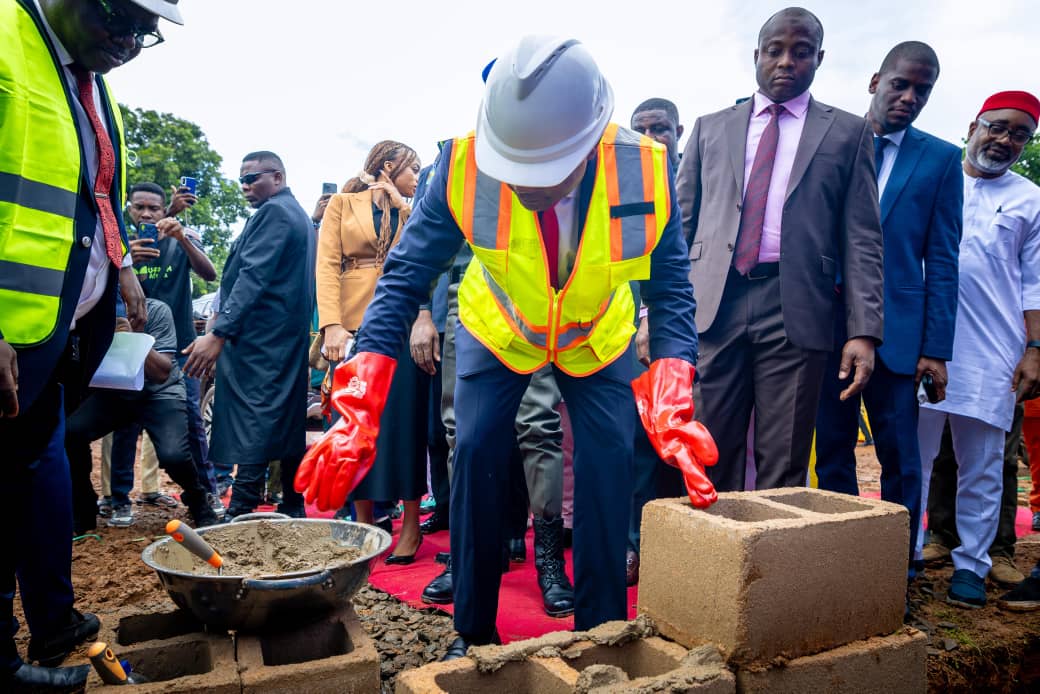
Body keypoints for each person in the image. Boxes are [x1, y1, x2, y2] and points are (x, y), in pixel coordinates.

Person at [295, 35, 714, 660]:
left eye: (547, 174)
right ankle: (475, 629)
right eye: (517, 171)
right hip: (500, 331)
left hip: (595, 335)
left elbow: (672, 283)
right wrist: (359, 397)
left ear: (593, 137)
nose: (529, 187)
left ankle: (598, 638)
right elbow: (406, 274)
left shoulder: (645, 168)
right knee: (477, 456)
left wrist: (676, 380)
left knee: (607, 470)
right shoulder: (459, 168)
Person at [0, 0, 181, 687]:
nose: (133, 41)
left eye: (147, 32)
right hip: (12, 329)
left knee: (35, 475)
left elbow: (93, 191)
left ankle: (52, 622)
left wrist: (123, 270)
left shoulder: (88, 76)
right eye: (122, 21)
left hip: (56, 332)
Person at [676, 7, 884, 493]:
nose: (787, 61)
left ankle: (770, 567)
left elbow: (863, 239)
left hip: (796, 308)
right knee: (708, 449)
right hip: (714, 305)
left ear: (820, 58)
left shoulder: (848, 133)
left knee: (785, 459)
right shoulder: (710, 128)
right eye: (775, 50)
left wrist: (864, 331)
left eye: (802, 51)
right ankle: (715, 565)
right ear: (756, 55)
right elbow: (678, 231)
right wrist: (654, 313)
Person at [813, 42, 962, 577]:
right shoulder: (830, 140)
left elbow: (943, 260)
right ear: (875, 80)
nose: (909, 96)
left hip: (899, 338)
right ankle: (839, 561)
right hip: (827, 327)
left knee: (901, 457)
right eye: (900, 83)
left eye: (922, 90)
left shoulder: (942, 159)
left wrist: (935, 349)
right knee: (832, 449)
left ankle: (899, 567)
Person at [915, 91, 1040, 609]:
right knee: (913, 461)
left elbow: (1035, 282)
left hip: (993, 352)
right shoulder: (935, 179)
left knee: (984, 464)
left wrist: (1034, 348)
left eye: (1019, 134)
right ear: (974, 125)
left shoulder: (1031, 198)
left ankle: (972, 565)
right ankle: (906, 551)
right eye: (997, 127)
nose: (1005, 140)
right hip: (923, 345)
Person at [183, 151, 314, 520]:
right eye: (241, 179)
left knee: (255, 418)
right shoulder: (297, 215)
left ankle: (240, 507)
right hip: (284, 338)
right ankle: (293, 503)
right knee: (286, 421)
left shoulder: (274, 213)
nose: (244, 186)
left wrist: (220, 331)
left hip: (261, 340)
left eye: (252, 178)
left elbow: (252, 276)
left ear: (277, 176)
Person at [314, 141, 428, 562]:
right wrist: (331, 325)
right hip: (353, 324)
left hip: (401, 321)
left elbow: (426, 254)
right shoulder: (342, 204)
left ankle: (411, 526)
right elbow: (326, 264)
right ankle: (363, 523)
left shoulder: (412, 209)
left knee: (404, 426)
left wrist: (403, 204)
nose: (417, 177)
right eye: (411, 169)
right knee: (355, 424)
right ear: (387, 166)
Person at [105, 182, 220, 526]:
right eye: (138, 207)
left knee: (190, 420)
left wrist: (182, 238)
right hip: (127, 344)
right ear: (129, 209)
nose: (146, 214)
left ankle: (206, 491)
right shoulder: (120, 244)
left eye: (153, 209)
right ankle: (118, 499)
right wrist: (124, 263)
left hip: (178, 348)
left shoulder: (181, 235)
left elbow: (210, 273)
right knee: (124, 421)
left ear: (163, 210)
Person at [65, 299, 219, 528]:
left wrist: (132, 339)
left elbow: (162, 372)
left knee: (173, 455)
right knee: (71, 433)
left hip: (160, 392)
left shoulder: (156, 310)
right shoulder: (92, 312)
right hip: (116, 394)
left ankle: (197, 498)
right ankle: (83, 505)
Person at [627, 98, 687, 585]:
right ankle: (636, 545)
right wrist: (646, 319)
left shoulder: (699, 178)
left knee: (688, 440)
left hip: (699, 327)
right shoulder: (627, 183)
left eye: (660, 128)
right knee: (641, 442)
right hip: (641, 329)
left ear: (679, 131)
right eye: (640, 128)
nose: (651, 137)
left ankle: (685, 544)